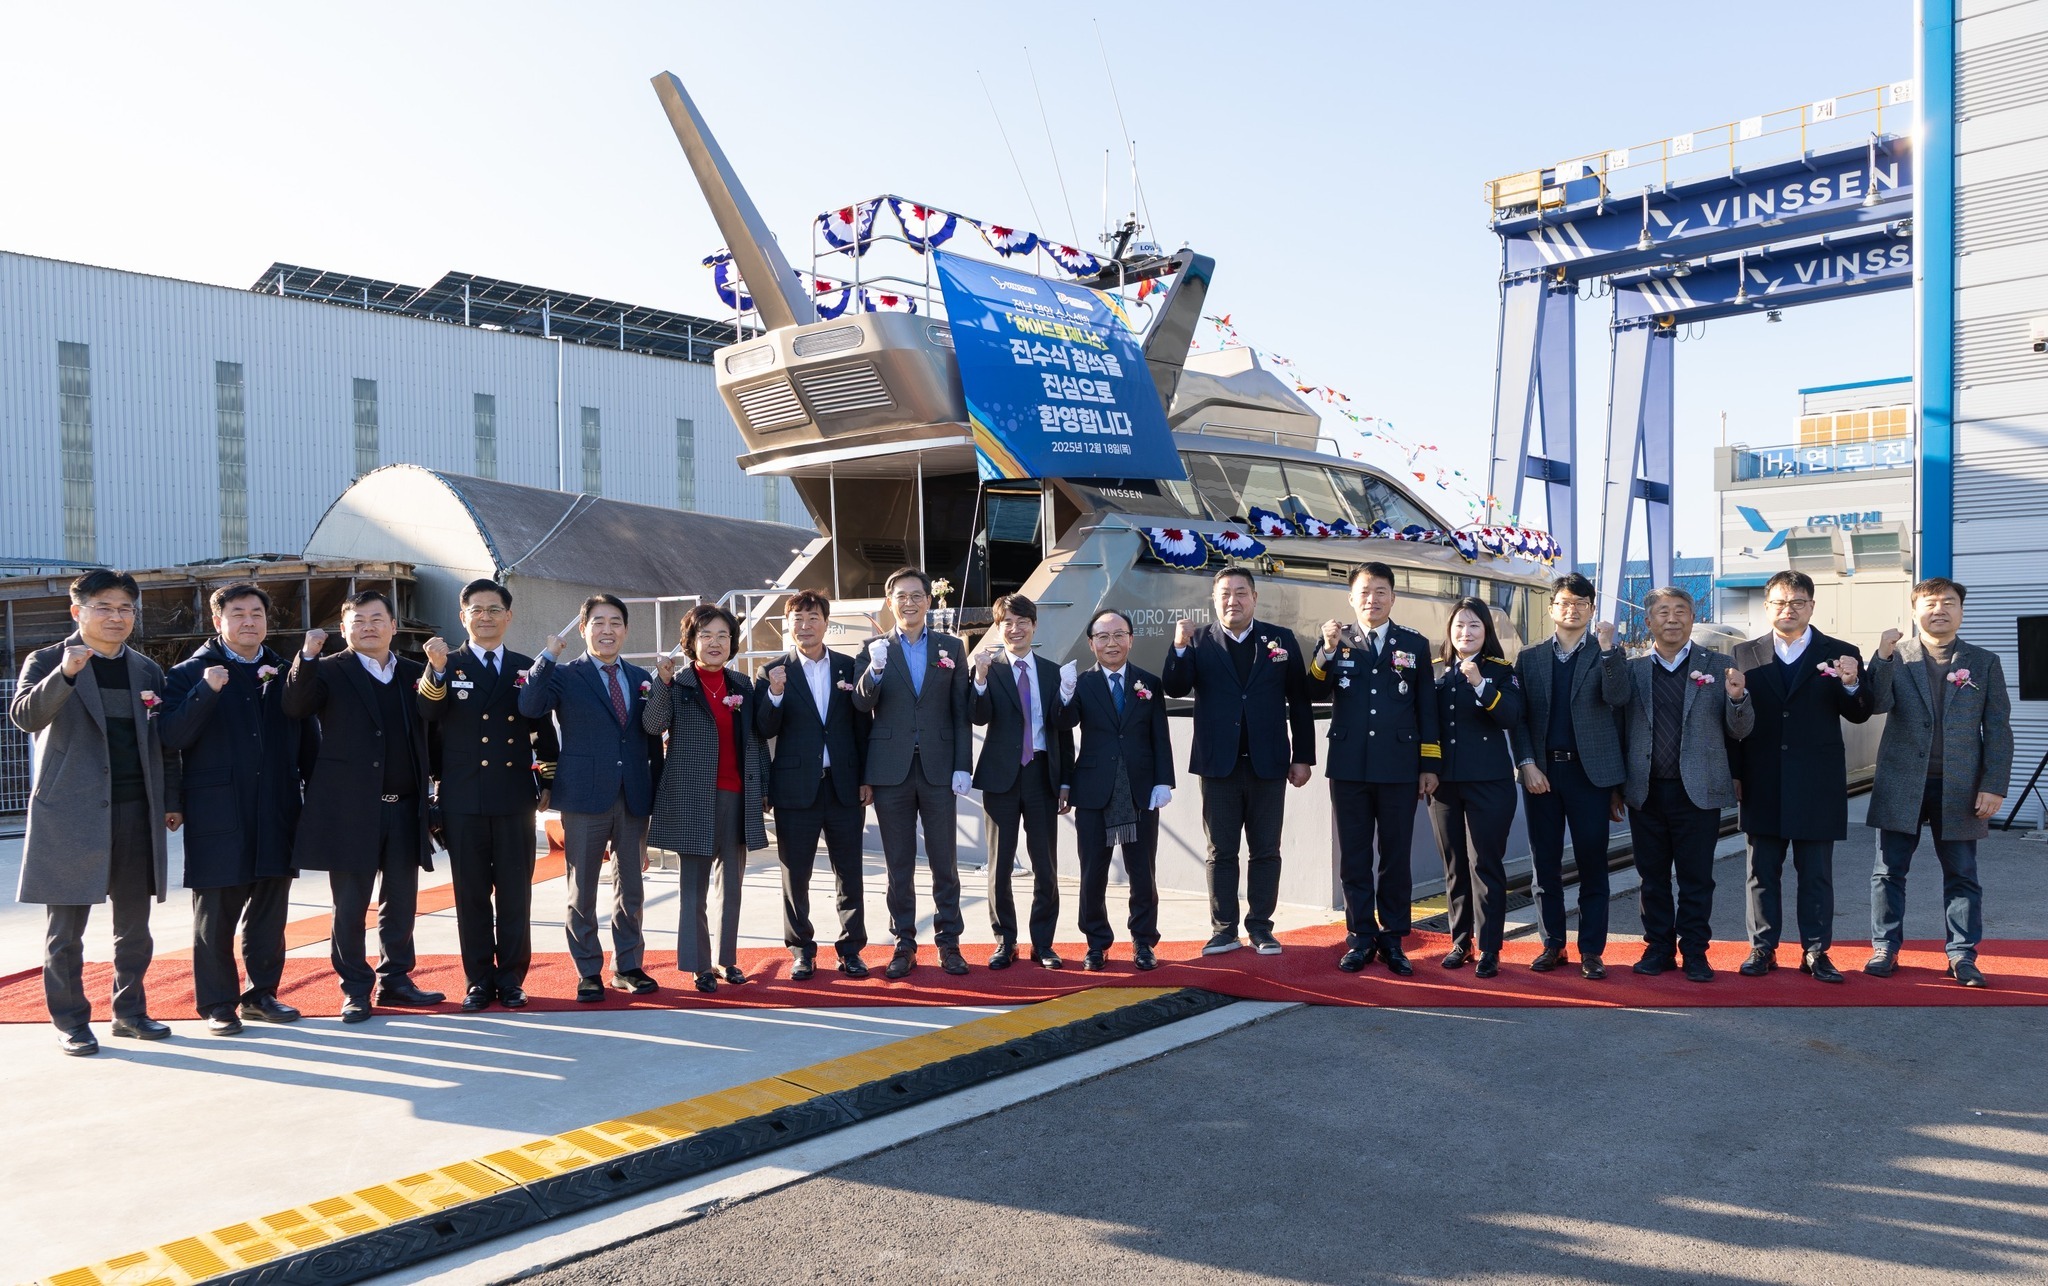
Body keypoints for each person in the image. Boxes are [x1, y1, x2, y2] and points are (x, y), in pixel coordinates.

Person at [11, 570, 180, 1055]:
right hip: (70, 812)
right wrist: (66, 673)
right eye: (104, 607)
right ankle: (70, 1021)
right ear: (77, 612)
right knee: (65, 931)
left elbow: (162, 742)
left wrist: (171, 800)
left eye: (125, 608)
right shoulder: (46, 660)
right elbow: (26, 716)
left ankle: (129, 1013)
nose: (116, 617)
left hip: (135, 810)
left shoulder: (146, 670)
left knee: (134, 927)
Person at [158, 582, 318, 1034]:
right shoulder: (190, 673)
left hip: (277, 805)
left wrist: (315, 802)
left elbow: (309, 741)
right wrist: (205, 692)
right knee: (216, 915)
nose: (249, 621)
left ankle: (262, 994)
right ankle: (218, 1003)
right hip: (217, 810)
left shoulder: (285, 670)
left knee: (270, 910)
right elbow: (171, 737)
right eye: (238, 613)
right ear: (218, 621)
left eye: (257, 614)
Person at [282, 590, 443, 1022]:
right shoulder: (329, 671)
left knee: (402, 901)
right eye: (358, 621)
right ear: (343, 629)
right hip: (350, 809)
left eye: (377, 619)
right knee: (351, 904)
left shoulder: (415, 672)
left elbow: (435, 723)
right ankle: (355, 987)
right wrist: (308, 655)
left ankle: (397, 979)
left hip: (405, 806)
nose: (368, 627)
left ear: (394, 625)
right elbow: (295, 705)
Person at [417, 578, 557, 1013]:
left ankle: (512, 979)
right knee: (471, 894)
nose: (486, 617)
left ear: (509, 616)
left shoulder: (523, 667)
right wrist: (435, 670)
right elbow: (428, 713)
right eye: (476, 610)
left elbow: (543, 730)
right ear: (463, 617)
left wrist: (548, 782)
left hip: (514, 796)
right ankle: (478, 979)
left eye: (494, 609)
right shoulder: (445, 664)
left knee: (516, 894)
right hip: (463, 798)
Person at [1864, 578, 2013, 987]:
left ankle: (1962, 955)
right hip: (1901, 782)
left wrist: (1994, 784)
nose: (1940, 609)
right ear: (1915, 611)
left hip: (1961, 787)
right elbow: (1875, 704)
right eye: (1930, 603)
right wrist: (1880, 655)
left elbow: (1998, 729)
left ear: (1961, 612)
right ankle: (1885, 947)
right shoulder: (1897, 656)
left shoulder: (1983, 662)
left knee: (1963, 874)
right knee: (1888, 872)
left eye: (1949, 602)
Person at [1162, 568, 1316, 956]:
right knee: (1221, 851)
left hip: (1269, 765)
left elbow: (1299, 701)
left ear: (1255, 597)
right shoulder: (1198, 640)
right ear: (1214, 600)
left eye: (1241, 593)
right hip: (1219, 766)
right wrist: (1179, 646)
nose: (1234, 601)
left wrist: (1303, 757)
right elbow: (1175, 687)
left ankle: (1262, 927)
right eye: (1226, 594)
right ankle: (1224, 929)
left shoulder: (1280, 640)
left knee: (1267, 850)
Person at [1729, 570, 1873, 984]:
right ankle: (1762, 948)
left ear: (1811, 606)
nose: (1787, 609)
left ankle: (1816, 951)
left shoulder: (1841, 652)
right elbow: (1731, 722)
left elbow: (1861, 711)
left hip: (1817, 780)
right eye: (1778, 602)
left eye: (1797, 602)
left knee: (1816, 873)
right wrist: (1736, 774)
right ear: (1767, 606)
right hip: (1762, 778)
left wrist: (1850, 684)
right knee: (1761, 872)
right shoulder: (1743, 654)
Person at [518, 594, 663, 1002]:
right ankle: (587, 970)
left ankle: (629, 965)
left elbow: (650, 739)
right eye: (598, 622)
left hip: (633, 793)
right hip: (583, 795)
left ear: (626, 630)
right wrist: (546, 656)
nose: (607, 630)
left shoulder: (640, 678)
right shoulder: (564, 675)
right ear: (583, 629)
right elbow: (529, 704)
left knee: (631, 887)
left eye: (615, 622)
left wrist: (655, 789)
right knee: (582, 890)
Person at [1609, 587, 1753, 983]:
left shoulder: (1720, 665)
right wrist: (1616, 787)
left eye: (1680, 611)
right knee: (1651, 877)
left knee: (1696, 878)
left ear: (1693, 617)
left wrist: (1738, 699)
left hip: (1698, 790)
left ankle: (1694, 952)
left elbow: (1739, 730)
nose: (1672, 619)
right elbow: (1621, 731)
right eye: (1662, 612)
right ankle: (1657, 948)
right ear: (1648, 620)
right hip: (1646, 790)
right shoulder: (1633, 670)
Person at [1307, 563, 1440, 975]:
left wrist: (1428, 763)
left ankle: (1395, 939)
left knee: (1396, 857)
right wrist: (1325, 651)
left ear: (1393, 597)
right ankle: (1361, 938)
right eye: (1364, 592)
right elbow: (1312, 690)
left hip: (1400, 767)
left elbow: (1426, 708)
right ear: (1351, 598)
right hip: (1349, 768)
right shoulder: (1337, 640)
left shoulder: (1413, 644)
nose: (1372, 599)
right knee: (1355, 857)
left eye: (1380, 591)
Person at [1507, 572, 1631, 979]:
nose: (1571, 609)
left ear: (1592, 609)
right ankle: (1552, 944)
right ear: (1552, 608)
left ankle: (1591, 951)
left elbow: (1619, 699)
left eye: (1580, 603)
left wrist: (1610, 649)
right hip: (1542, 774)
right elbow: (1519, 718)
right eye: (1564, 602)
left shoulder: (1608, 652)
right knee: (1545, 865)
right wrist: (1526, 763)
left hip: (1590, 777)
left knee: (1593, 864)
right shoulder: (1530, 657)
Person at [852, 567, 974, 980]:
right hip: (891, 772)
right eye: (901, 596)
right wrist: (876, 671)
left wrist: (963, 765)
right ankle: (904, 941)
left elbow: (960, 711)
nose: (909, 602)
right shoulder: (872, 649)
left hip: (939, 769)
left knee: (945, 861)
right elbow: (860, 706)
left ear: (928, 600)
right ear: (890, 603)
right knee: (898, 864)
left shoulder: (952, 647)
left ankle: (949, 942)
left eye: (916, 595)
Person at [645, 603, 769, 993]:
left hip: (738, 793)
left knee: (731, 884)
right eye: (706, 635)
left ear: (732, 642)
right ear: (691, 642)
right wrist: (662, 683)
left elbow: (757, 740)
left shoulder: (742, 685)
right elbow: (652, 724)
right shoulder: (678, 684)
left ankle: (726, 959)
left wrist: (763, 787)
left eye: (723, 636)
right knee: (693, 885)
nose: (715, 643)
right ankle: (698, 964)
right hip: (692, 795)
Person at [756, 590, 872, 979]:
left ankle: (851, 948)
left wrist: (865, 779)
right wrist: (774, 693)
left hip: (843, 786)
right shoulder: (772, 671)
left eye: (812, 618)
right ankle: (801, 949)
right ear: (788, 626)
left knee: (849, 871)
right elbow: (763, 728)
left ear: (826, 622)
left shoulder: (848, 666)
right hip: (794, 789)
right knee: (796, 874)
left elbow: (861, 726)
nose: (805, 626)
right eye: (797, 620)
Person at [1059, 610, 1174, 971]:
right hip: (1093, 790)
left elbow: (1160, 735)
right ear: (1091, 642)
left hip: (1140, 791)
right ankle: (1096, 943)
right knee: (1093, 873)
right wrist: (1063, 695)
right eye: (1103, 637)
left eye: (1119, 635)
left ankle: (1143, 942)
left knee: (1143, 874)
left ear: (1131, 639)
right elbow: (1064, 724)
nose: (1112, 643)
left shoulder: (1148, 683)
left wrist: (1163, 781)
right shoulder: (1080, 683)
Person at [970, 594, 1076, 970]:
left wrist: (1066, 782)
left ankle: (1043, 943)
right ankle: (1005, 941)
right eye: (1007, 623)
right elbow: (977, 716)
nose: (1015, 630)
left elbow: (1063, 732)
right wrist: (979, 680)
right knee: (999, 865)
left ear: (1034, 625)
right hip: (1000, 777)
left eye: (1022, 622)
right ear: (998, 628)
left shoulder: (1052, 672)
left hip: (1042, 775)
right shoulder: (988, 669)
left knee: (1045, 864)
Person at [1424, 596, 1524, 980]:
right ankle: (1460, 941)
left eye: (1474, 626)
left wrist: (1480, 684)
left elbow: (1510, 716)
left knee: (1485, 865)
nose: (1465, 633)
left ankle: (1490, 948)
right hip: (1444, 784)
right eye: (1459, 625)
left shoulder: (1500, 670)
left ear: (1486, 632)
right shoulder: (1435, 671)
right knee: (1453, 867)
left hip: (1489, 783)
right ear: (1449, 630)